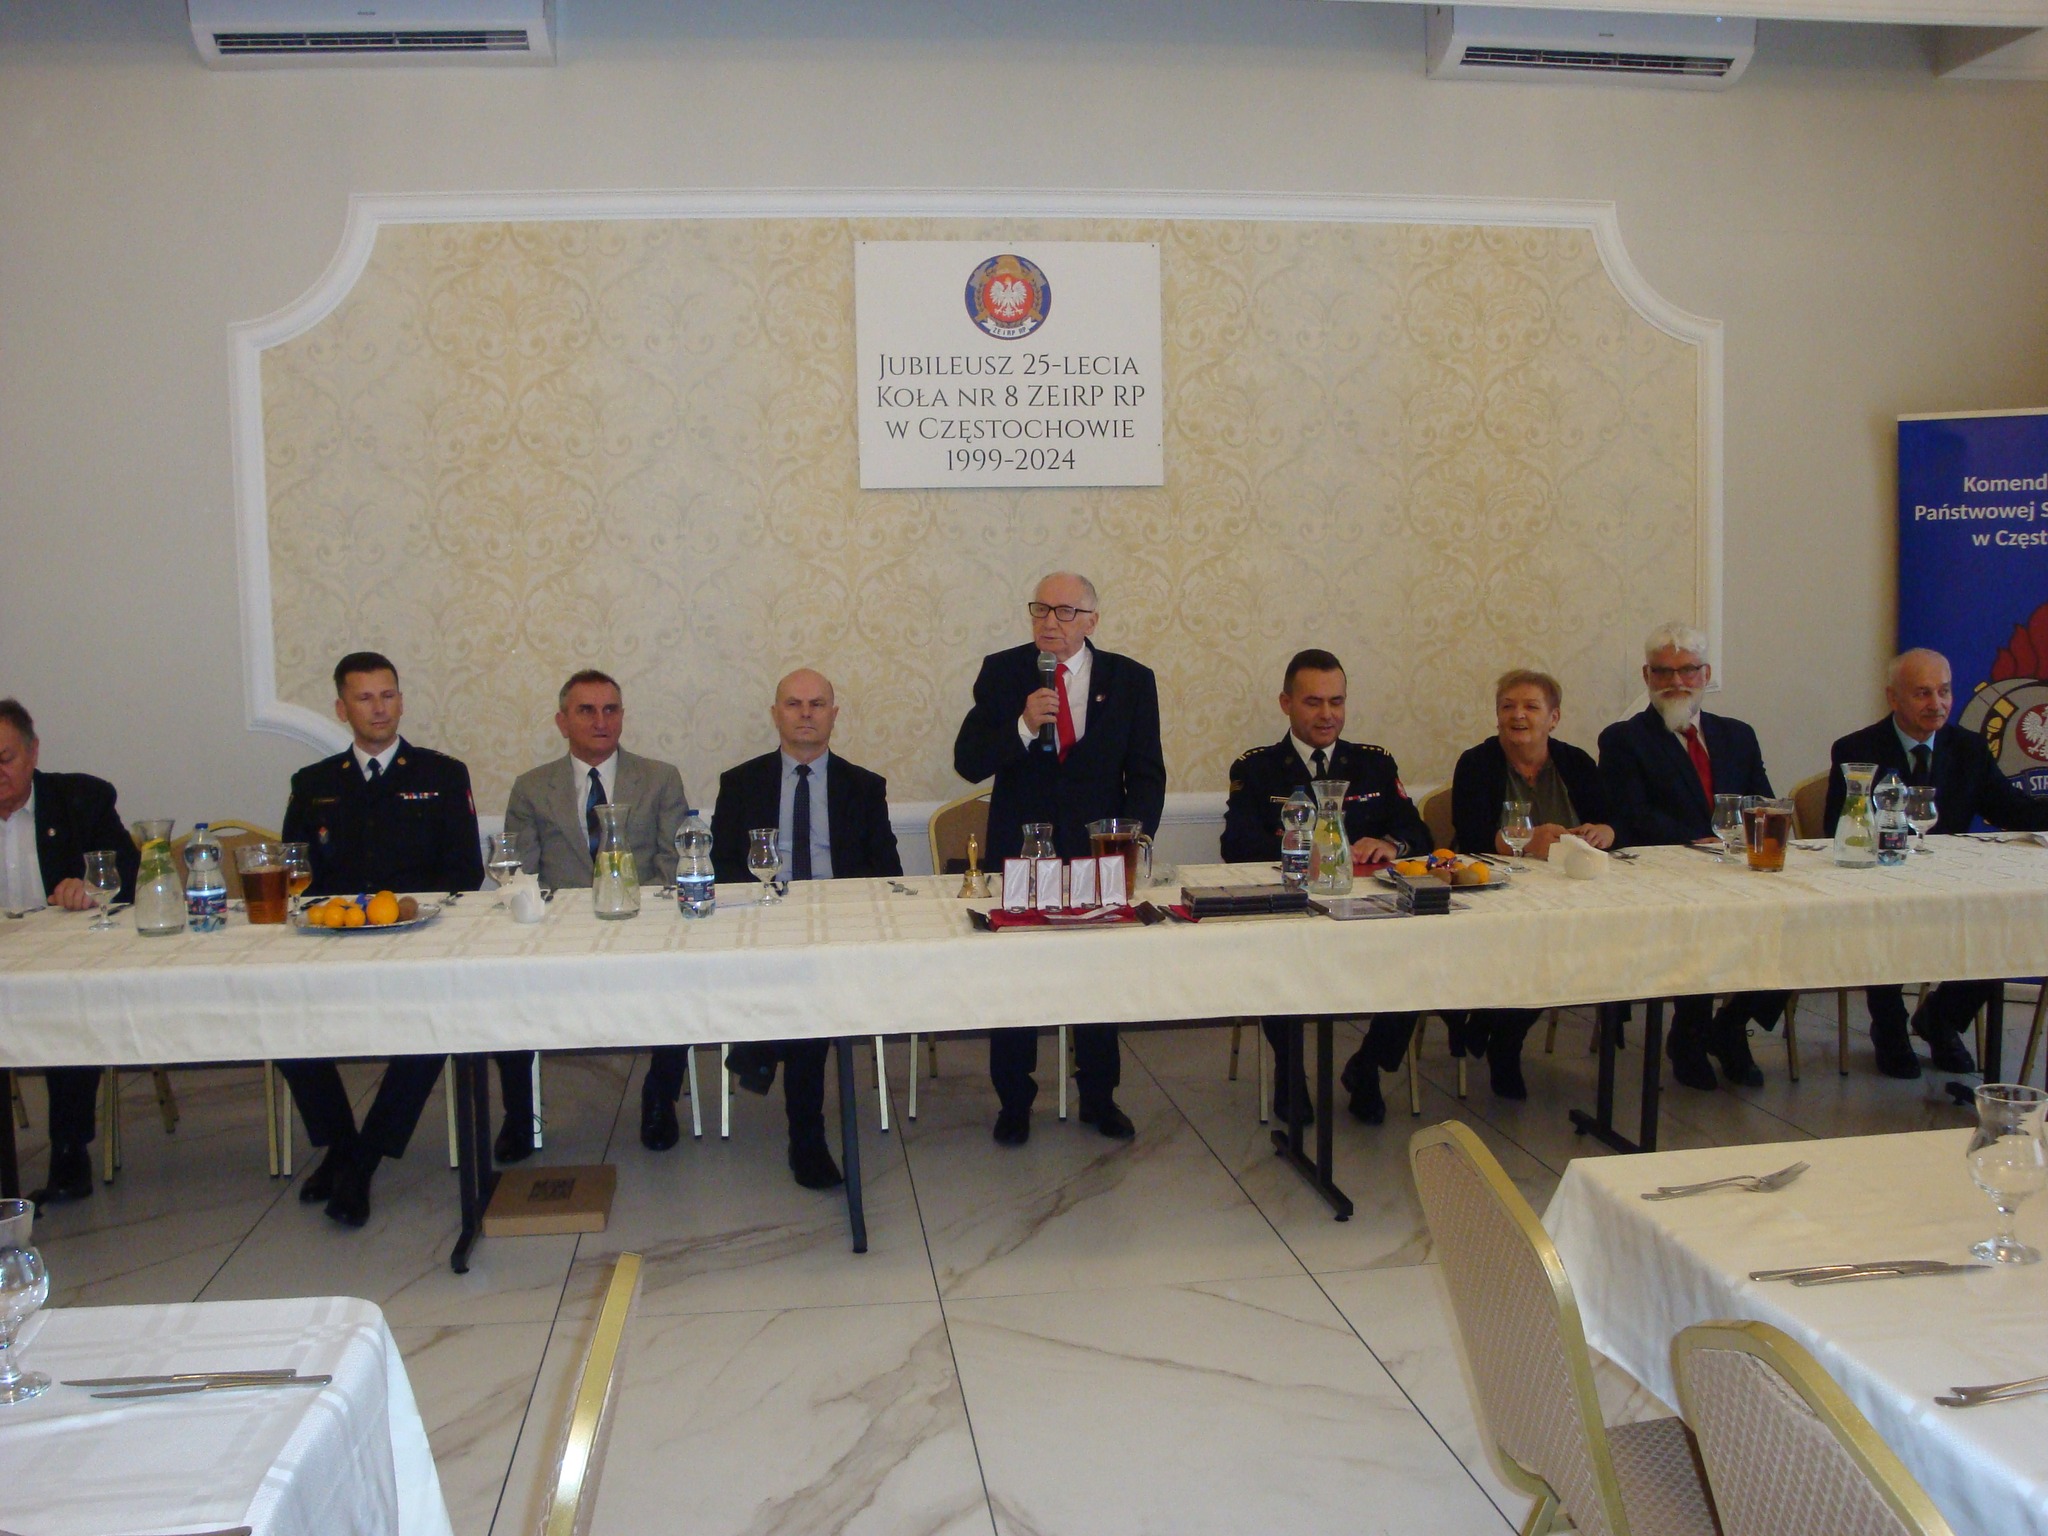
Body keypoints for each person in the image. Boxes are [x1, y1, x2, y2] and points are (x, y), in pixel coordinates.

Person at [954, 572, 1166, 1146]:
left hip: (1100, 853)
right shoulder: (1004, 672)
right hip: (1023, 850)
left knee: (1097, 978)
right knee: (1017, 977)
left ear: (1092, 620)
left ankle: (1099, 1096)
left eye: (1065, 611)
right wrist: (1022, 726)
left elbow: (1147, 774)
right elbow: (968, 761)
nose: (1050, 621)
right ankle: (1014, 1103)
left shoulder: (1131, 679)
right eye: (1040, 609)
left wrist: (1132, 843)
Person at [671, 669, 901, 1188]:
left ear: (834, 715)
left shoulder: (864, 787)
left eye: (817, 704)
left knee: (809, 983)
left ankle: (771, 1068)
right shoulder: (741, 782)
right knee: (805, 987)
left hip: (837, 924)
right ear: (776, 714)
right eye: (794, 704)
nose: (805, 714)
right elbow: (724, 866)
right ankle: (804, 1131)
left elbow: (887, 870)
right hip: (764, 920)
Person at [279, 652, 485, 1227]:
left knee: (434, 1027)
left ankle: (364, 1158)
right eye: (365, 698)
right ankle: (342, 1144)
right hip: (334, 940)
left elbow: (465, 872)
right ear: (341, 708)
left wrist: (409, 912)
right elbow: (297, 874)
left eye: (388, 695)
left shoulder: (442, 775)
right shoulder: (314, 784)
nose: (379, 709)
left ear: (401, 701)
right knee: (283, 1021)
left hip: (416, 937)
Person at [1220, 649, 1431, 1125]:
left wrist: (1390, 844)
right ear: (1286, 703)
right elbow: (1236, 845)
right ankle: (1290, 1072)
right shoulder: (1257, 768)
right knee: (1278, 960)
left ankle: (1368, 1065)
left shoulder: (1374, 764)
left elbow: (1419, 833)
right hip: (1294, 909)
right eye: (1313, 702)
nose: (1327, 714)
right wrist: (1302, 848)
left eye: (1337, 701)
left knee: (1422, 953)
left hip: (1370, 913)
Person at [1824, 648, 2048, 1078]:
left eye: (1944, 692)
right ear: (1893, 697)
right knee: (1881, 919)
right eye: (1923, 693)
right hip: (1881, 883)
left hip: (1950, 884)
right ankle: (1889, 1026)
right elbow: (1837, 826)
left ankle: (1942, 1019)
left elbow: (2012, 809)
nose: (1937, 704)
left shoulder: (1968, 748)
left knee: (2003, 920)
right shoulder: (1857, 749)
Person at [503, 669, 688, 1160]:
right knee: (502, 982)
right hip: (558, 931)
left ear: (622, 716)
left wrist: (642, 917)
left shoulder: (660, 778)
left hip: (643, 924)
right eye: (586, 710)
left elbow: (673, 863)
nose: (600, 721)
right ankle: (519, 1113)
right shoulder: (531, 787)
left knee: (684, 975)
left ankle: (659, 1097)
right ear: (562, 721)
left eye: (610, 710)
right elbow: (521, 874)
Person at [1598, 622, 1789, 1091]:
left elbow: (1761, 801)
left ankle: (1731, 1025)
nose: (1676, 682)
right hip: (1666, 874)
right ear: (1647, 676)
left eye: (1687, 670)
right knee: (1700, 929)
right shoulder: (1624, 739)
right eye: (1663, 672)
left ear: (1705, 675)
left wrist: (1740, 841)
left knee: (1794, 923)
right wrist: (1703, 841)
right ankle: (1689, 1034)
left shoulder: (1738, 735)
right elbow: (1631, 815)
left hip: (1739, 870)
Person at [1445, 669, 1615, 1098]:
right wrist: (1522, 843)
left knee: (1571, 947)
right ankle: (1504, 1042)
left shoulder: (1576, 763)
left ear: (1553, 717)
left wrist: (1604, 832)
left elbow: (1613, 820)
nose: (1518, 715)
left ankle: (1493, 1026)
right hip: (1496, 894)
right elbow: (1470, 835)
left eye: (1531, 707)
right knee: (1536, 947)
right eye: (1508, 706)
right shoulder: (1477, 763)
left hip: (1571, 893)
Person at [0, 699, 138, 1206]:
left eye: (5, 758)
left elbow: (129, 875)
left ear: (33, 752)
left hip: (64, 965)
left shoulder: (81, 799)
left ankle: (68, 1152)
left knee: (71, 1007)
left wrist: (90, 887)